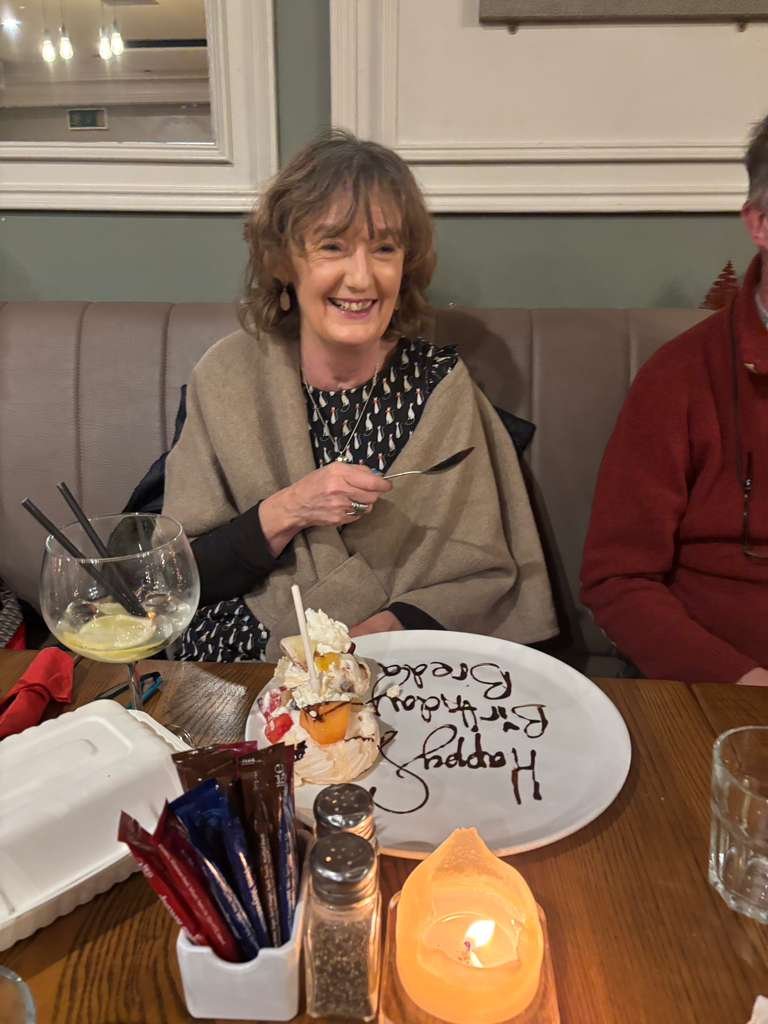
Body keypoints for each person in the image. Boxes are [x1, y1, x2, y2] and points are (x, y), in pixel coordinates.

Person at [163, 129, 557, 662]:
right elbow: (184, 575)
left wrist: (368, 640)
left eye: (385, 248)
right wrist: (292, 508)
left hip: (387, 657)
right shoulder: (227, 375)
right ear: (283, 260)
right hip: (233, 652)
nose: (361, 277)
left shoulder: (440, 386)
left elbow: (479, 574)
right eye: (332, 246)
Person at [581, 113, 768, 685]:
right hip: (725, 693)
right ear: (760, 223)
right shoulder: (681, 377)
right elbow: (616, 580)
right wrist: (741, 683)